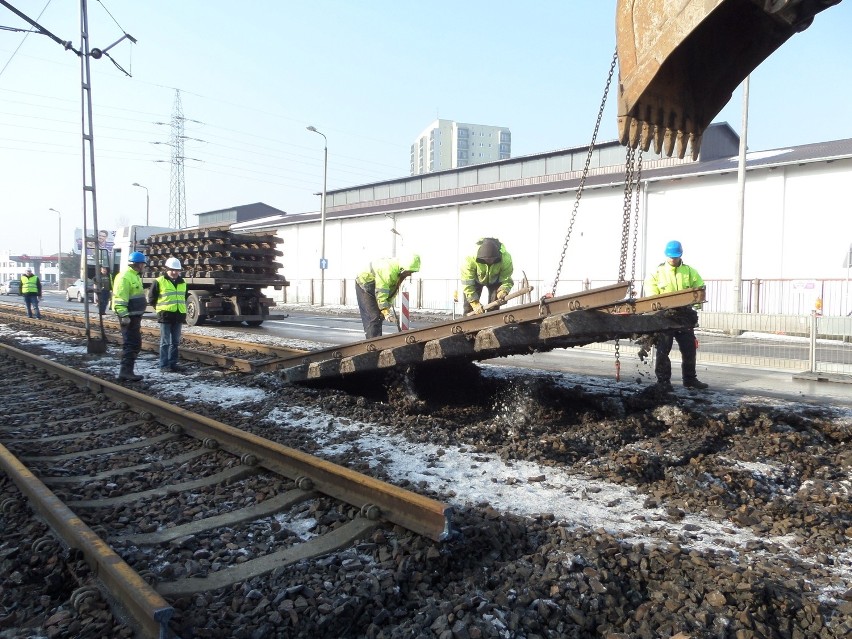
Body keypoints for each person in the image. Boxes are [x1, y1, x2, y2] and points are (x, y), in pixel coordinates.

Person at [645, 240, 708, 390]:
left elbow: (700, 291)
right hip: (664, 318)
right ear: (666, 255)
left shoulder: (690, 272)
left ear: (680, 255)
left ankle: (690, 379)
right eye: (671, 257)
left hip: (684, 318)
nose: (673, 259)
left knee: (689, 349)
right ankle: (663, 381)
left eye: (675, 256)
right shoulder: (656, 274)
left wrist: (696, 304)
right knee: (662, 350)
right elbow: (652, 297)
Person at [355, 254, 421, 339]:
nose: (410, 274)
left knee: (379, 316)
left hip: (376, 285)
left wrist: (387, 310)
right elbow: (381, 292)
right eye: (409, 272)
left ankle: (377, 341)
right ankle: (372, 345)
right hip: (364, 284)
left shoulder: (398, 273)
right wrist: (385, 311)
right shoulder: (388, 271)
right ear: (403, 268)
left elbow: (391, 292)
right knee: (373, 317)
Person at [113, 251, 149, 382]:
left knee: (134, 343)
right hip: (128, 317)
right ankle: (125, 371)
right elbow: (119, 299)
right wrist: (124, 315)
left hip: (134, 316)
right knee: (131, 343)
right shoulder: (124, 277)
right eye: (143, 264)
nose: (144, 266)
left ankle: (128, 370)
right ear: (138, 264)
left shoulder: (134, 276)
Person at [148, 257, 187, 373]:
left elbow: (183, 297)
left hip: (178, 315)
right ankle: (163, 365)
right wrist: (160, 310)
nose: (175, 272)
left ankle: (173, 363)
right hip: (165, 315)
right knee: (165, 342)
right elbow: (151, 298)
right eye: (172, 270)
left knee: (175, 342)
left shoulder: (182, 282)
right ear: (167, 269)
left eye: (177, 270)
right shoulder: (159, 281)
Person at [460, 238, 513, 315]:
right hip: (475, 281)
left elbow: (506, 279)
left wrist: (503, 290)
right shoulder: (470, 259)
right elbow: (467, 284)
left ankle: (493, 324)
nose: (490, 263)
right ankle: (467, 324)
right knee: (470, 309)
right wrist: (475, 303)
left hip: (495, 280)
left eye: (492, 261)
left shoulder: (506, 259)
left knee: (494, 307)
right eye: (486, 261)